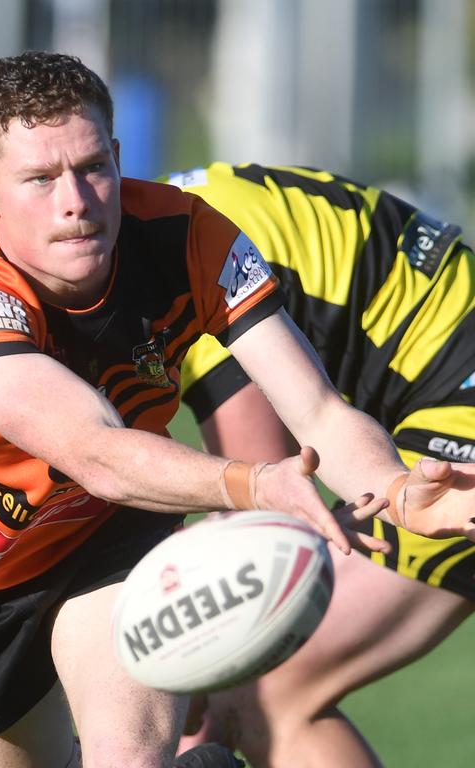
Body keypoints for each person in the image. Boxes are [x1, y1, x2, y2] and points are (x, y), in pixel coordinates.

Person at [0, 51, 475, 768]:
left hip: (109, 537)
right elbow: (93, 450)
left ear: (119, 156)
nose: (75, 200)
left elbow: (317, 412)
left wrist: (398, 488)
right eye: (39, 179)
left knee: (132, 757)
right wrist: (257, 485)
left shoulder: (191, 235)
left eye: (93, 166)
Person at [167, 161, 475, 767]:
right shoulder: (171, 209)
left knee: (268, 691)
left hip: (454, 418)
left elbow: (265, 510)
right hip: (436, 396)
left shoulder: (178, 265)